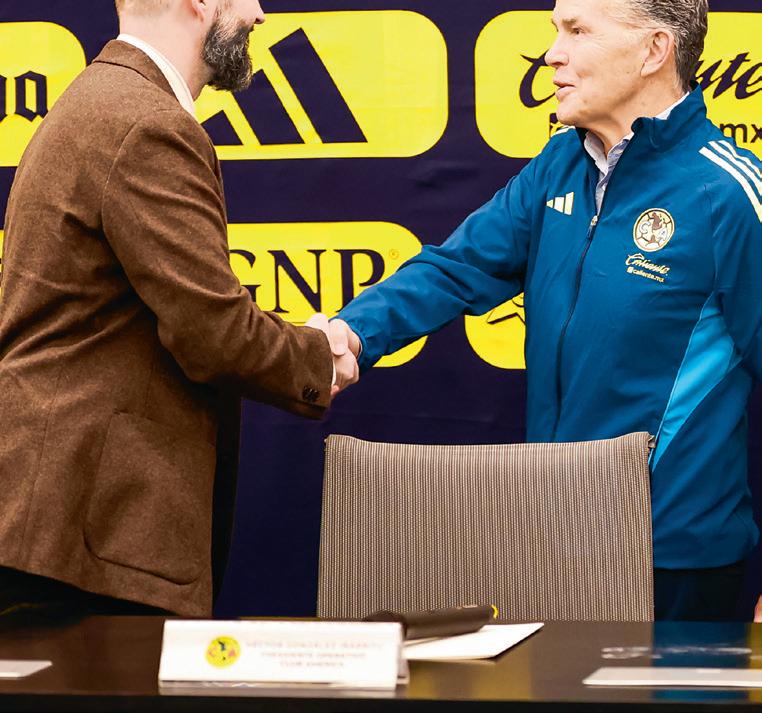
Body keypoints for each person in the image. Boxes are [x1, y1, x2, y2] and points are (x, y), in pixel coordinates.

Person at [326, 0, 762, 621]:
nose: (552, 55)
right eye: (555, 31)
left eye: (577, 31)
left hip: (671, 556)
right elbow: (457, 267)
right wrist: (349, 334)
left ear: (654, 51)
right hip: (553, 534)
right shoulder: (559, 165)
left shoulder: (730, 192)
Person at [0, 0, 357, 618]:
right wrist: (319, 358)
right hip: (86, 544)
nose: (259, 14)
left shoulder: (98, 103)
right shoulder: (147, 124)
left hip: (57, 529)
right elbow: (214, 332)